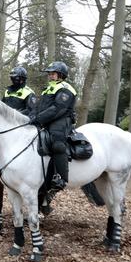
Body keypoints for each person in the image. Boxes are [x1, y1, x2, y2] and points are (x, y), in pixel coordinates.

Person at [29, 61, 77, 192]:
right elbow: (39, 107)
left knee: (57, 143)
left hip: (62, 119)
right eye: (49, 73)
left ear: (61, 75)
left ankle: (61, 177)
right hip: (48, 119)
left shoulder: (66, 88)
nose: (50, 75)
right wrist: (32, 116)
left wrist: (39, 119)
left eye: (53, 73)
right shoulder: (48, 88)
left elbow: (58, 108)